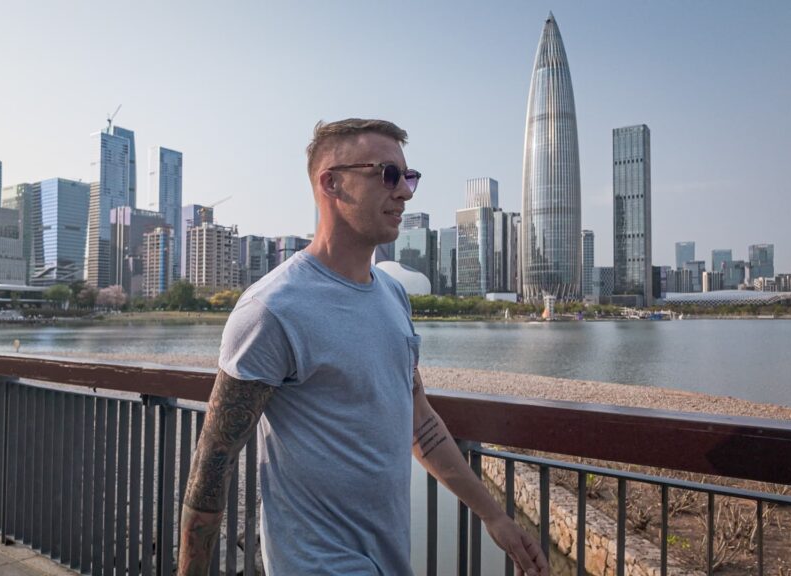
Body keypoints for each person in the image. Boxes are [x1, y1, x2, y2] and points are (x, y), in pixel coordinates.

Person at [178, 119, 549, 576]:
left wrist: (493, 516)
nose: (405, 192)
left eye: (408, 177)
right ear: (331, 183)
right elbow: (212, 465)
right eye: (388, 175)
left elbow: (419, 423)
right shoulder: (271, 309)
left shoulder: (393, 296)